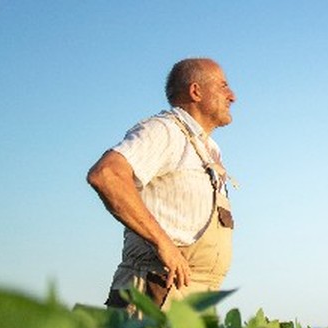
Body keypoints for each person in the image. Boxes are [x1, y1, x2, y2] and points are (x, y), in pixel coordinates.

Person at [88, 58, 237, 313]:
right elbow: (107, 174)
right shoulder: (165, 130)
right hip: (156, 292)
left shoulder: (208, 149)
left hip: (194, 299)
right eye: (223, 86)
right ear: (195, 91)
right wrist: (163, 244)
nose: (232, 96)